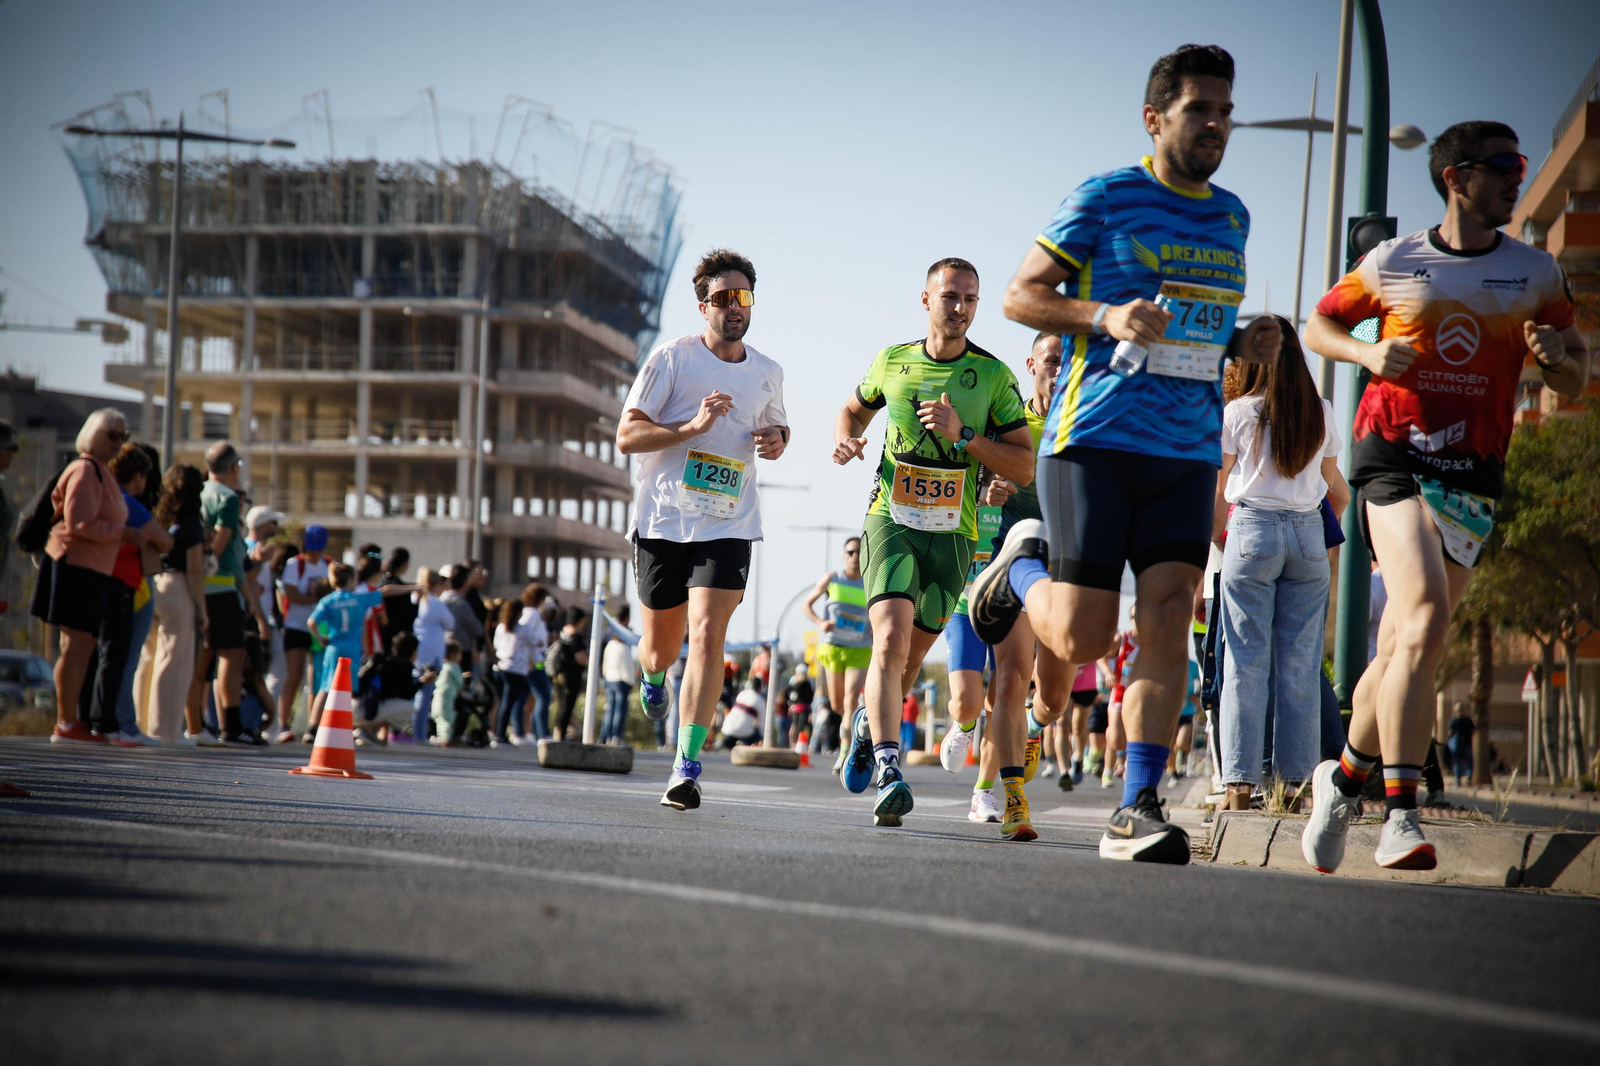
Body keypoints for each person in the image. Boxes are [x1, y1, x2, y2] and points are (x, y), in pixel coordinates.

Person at [975, 44, 1281, 863]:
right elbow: (1019, 296)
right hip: (1094, 440)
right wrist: (1105, 317)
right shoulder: (1107, 196)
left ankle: (1135, 805)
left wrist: (1240, 338)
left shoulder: (1233, 215)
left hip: (1186, 446)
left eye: (1226, 111)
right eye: (1199, 111)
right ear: (1155, 119)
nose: (1217, 124)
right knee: (1079, 638)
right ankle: (1018, 573)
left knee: (1171, 614)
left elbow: (1205, 324)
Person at [1301, 120, 1588, 872]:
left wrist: (1558, 361)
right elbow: (1319, 322)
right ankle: (1400, 813)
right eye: (1502, 166)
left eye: (1520, 165)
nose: (1515, 178)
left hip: (1473, 473)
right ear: (1456, 178)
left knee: (1404, 642)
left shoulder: (1534, 271)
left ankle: (1342, 778)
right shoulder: (1395, 260)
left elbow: (1576, 371)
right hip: (1391, 456)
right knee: (1423, 612)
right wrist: (1365, 351)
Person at [833, 257, 1033, 828]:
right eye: (950, 296)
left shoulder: (992, 377)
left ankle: (869, 728)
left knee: (908, 663)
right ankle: (891, 770)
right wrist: (848, 441)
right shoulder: (892, 362)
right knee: (890, 639)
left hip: (953, 537)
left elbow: (1022, 465)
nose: (961, 307)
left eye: (970, 298)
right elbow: (851, 410)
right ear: (926, 301)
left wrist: (964, 435)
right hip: (890, 519)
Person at [616, 248, 788, 811]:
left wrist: (778, 440)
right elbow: (628, 437)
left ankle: (686, 765)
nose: (735, 307)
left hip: (728, 522)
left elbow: (776, 428)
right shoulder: (672, 360)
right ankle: (653, 677)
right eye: (723, 298)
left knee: (709, 632)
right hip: (664, 521)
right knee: (661, 649)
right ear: (702, 306)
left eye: (744, 297)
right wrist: (692, 426)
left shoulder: (768, 372)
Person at [1213, 318, 1350, 810]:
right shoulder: (1322, 411)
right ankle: (1295, 787)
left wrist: (1224, 545)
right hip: (1308, 537)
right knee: (1300, 664)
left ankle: (1239, 786)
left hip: (1251, 531)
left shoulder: (1237, 413)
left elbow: (1216, 489)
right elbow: (1339, 493)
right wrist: (1319, 546)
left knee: (1245, 663)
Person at [940, 331, 1070, 839]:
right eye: (1052, 360)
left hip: (1059, 564)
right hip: (999, 561)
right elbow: (968, 468)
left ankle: (1026, 737)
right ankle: (988, 778)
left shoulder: (1087, 420)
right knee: (997, 689)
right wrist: (989, 488)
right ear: (1032, 364)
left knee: (1051, 698)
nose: (1059, 371)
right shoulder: (1008, 419)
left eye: (1068, 362)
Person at [34, 408, 129, 744]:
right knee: (74, 645)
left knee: (82, 645)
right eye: (112, 436)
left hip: (90, 568)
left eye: (124, 436)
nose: (119, 443)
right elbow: (78, 522)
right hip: (75, 565)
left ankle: (70, 720)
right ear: (92, 436)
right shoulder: (86, 469)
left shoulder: (102, 471)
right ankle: (65, 722)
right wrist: (120, 533)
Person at [90, 443, 171, 746]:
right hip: (129, 585)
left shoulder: (103, 498)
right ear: (138, 475)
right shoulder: (128, 503)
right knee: (124, 656)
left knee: (104, 655)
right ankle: (122, 722)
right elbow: (163, 541)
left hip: (100, 579)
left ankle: (101, 719)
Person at [196, 442, 264, 747]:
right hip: (222, 586)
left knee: (203, 656)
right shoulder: (226, 497)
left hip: (198, 584)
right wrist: (245, 594)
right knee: (231, 655)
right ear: (233, 467)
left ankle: (195, 722)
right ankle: (230, 725)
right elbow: (225, 548)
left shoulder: (197, 492)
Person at [305, 562, 418, 734]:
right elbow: (386, 590)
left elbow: (312, 622)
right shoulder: (357, 599)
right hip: (352, 649)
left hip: (334, 647)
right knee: (348, 690)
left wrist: (321, 638)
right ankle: (342, 728)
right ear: (350, 579)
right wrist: (414, 588)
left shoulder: (328, 601)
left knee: (326, 687)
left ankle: (313, 727)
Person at [801, 538, 871, 770]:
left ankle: (845, 752)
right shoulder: (832, 579)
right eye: (851, 552)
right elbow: (806, 605)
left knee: (851, 700)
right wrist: (821, 623)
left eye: (859, 552)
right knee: (837, 704)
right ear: (844, 555)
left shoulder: (870, 582)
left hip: (860, 648)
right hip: (834, 647)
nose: (855, 556)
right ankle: (850, 726)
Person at [149, 465, 207, 741]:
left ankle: (140, 724)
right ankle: (166, 730)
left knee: (148, 660)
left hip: (155, 583)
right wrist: (202, 609)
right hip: (178, 586)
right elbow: (195, 569)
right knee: (175, 661)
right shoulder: (192, 523)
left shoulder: (159, 516)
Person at [274, 524, 329, 743]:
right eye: (311, 548)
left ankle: (312, 727)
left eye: (318, 548)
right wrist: (316, 599)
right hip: (296, 625)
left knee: (315, 677)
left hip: (319, 628)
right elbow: (291, 594)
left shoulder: (328, 564)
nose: (314, 553)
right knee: (294, 676)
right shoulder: (294, 564)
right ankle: (283, 725)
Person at [493, 585, 548, 746]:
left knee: (505, 701)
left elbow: (496, 644)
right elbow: (536, 642)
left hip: (502, 666)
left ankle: (502, 732)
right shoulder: (524, 625)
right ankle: (508, 734)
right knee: (533, 697)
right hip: (520, 667)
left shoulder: (502, 627)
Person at [411, 568, 452, 742]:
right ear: (435, 584)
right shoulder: (435, 603)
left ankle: (411, 731)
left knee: (414, 692)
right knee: (424, 696)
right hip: (431, 653)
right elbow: (451, 622)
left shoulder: (415, 599)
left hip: (416, 651)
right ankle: (419, 734)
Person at [547, 606, 590, 741]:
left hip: (560, 674)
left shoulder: (563, 633)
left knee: (561, 706)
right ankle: (560, 734)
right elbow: (580, 657)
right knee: (567, 706)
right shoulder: (576, 636)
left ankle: (558, 732)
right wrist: (590, 662)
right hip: (571, 676)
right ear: (580, 620)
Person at [600, 604, 638, 746]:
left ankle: (606, 735)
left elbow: (603, 663)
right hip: (621, 681)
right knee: (619, 711)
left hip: (609, 679)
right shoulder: (623, 648)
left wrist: (603, 677)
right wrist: (631, 681)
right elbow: (627, 667)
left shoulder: (609, 642)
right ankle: (615, 735)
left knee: (610, 708)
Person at [439, 565, 484, 674]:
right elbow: (477, 628)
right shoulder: (460, 603)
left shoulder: (441, 599)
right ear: (465, 582)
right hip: (460, 650)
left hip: (442, 646)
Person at [379, 547, 415, 649]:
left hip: (382, 634)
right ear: (405, 564)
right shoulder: (402, 589)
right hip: (398, 639)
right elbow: (409, 616)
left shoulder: (381, 582)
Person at [783, 663, 813, 749]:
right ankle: (793, 743)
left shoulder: (807, 683)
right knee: (795, 725)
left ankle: (798, 743)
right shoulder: (794, 682)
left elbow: (810, 695)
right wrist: (790, 703)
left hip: (804, 707)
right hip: (796, 707)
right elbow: (787, 693)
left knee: (801, 725)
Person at [1447, 702, 1475, 786]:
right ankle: (1468, 777)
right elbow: (1473, 730)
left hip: (1457, 746)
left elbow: (1449, 732)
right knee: (1469, 762)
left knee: (1457, 763)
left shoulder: (1454, 720)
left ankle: (1457, 781)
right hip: (1467, 744)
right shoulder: (1468, 720)